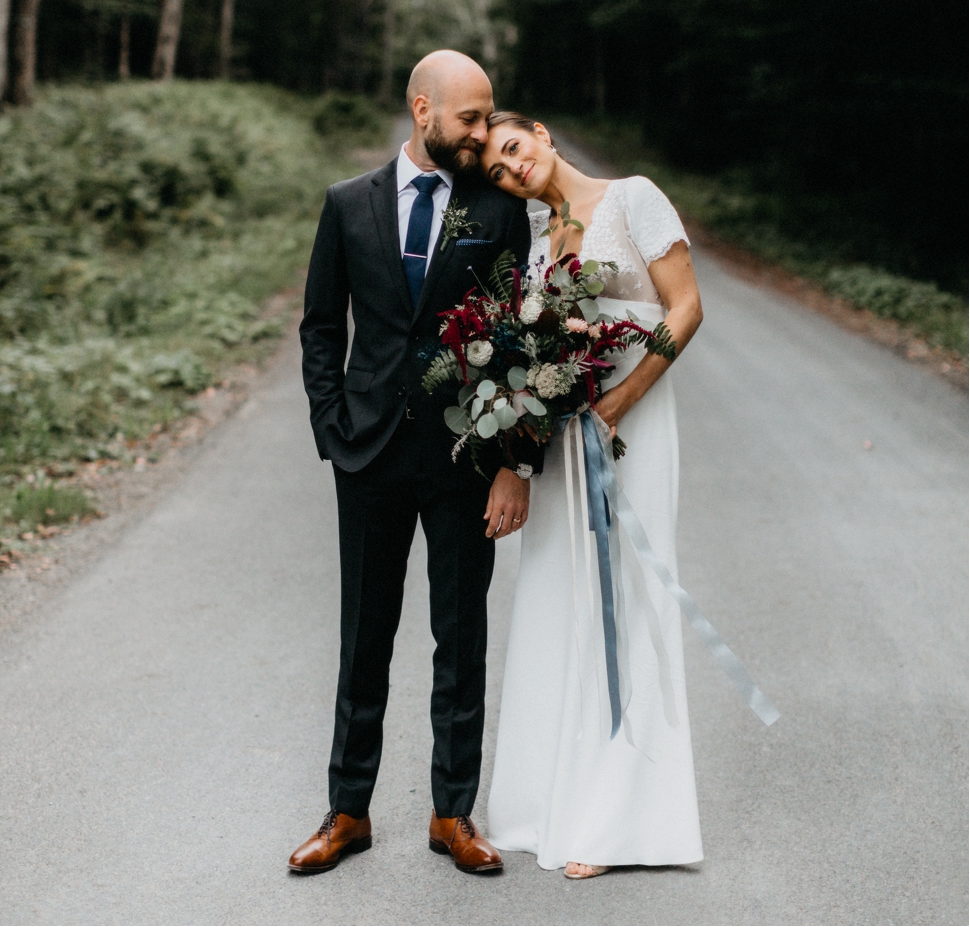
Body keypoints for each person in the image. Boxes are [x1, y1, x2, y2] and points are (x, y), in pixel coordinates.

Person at [291, 53, 540, 876]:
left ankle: (452, 813)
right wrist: (331, 427)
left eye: (489, 116)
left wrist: (514, 461)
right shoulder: (346, 205)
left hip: (465, 455)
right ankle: (347, 810)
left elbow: (518, 343)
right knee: (364, 637)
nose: (483, 132)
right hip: (365, 454)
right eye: (470, 118)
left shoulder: (497, 211)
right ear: (422, 108)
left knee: (459, 636)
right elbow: (322, 325)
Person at [480, 112, 705, 879]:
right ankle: (555, 801)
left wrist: (620, 403)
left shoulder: (633, 196)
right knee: (561, 593)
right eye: (498, 170)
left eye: (513, 149)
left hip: (628, 428)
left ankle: (622, 821)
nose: (512, 168)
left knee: (629, 596)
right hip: (566, 438)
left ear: (540, 135)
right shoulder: (541, 241)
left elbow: (686, 308)